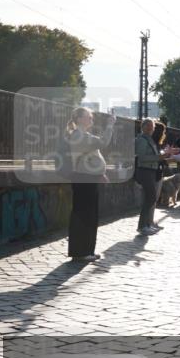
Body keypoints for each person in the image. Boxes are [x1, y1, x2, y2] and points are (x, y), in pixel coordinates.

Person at [64, 107, 115, 260]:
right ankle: (82, 252)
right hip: (84, 179)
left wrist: (100, 173)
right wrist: (110, 125)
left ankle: (85, 251)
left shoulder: (82, 135)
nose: (91, 119)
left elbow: (91, 158)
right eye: (89, 117)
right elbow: (103, 142)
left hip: (87, 178)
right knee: (86, 215)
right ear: (79, 119)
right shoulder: (79, 136)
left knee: (88, 214)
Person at [134, 118, 163, 236]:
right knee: (151, 197)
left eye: (153, 127)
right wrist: (159, 158)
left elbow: (152, 155)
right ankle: (142, 226)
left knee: (150, 198)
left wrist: (164, 155)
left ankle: (146, 225)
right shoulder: (141, 139)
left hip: (150, 170)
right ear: (143, 127)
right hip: (145, 171)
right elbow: (141, 157)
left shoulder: (148, 139)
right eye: (149, 126)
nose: (152, 129)